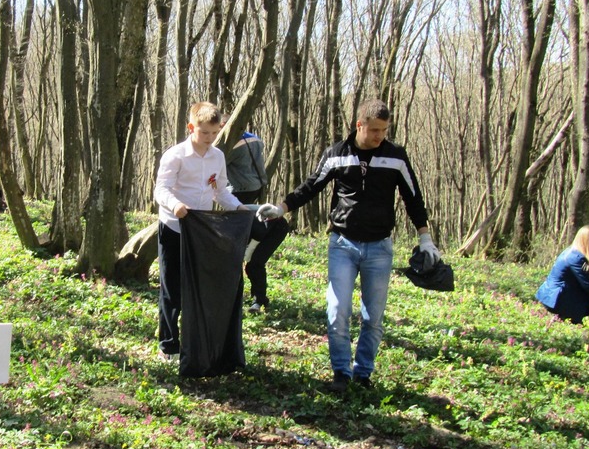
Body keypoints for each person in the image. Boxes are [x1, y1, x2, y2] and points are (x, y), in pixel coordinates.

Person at [257, 98, 440, 393]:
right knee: (337, 309)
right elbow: (311, 185)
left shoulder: (396, 157)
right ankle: (341, 372)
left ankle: (363, 374)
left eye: (384, 130)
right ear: (359, 125)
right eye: (375, 130)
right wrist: (282, 208)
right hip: (342, 243)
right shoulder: (337, 154)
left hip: (379, 247)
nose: (380, 136)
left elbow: (413, 197)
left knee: (373, 316)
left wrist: (425, 236)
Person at [154, 101, 247, 359]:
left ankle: (198, 343)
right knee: (172, 289)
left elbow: (220, 191)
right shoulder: (175, 156)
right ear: (191, 127)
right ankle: (168, 346)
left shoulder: (217, 157)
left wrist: (238, 208)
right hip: (174, 227)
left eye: (214, 133)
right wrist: (175, 205)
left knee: (200, 288)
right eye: (204, 132)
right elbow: (160, 190)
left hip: (203, 232)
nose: (209, 138)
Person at [225, 128, 289, 314]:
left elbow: (258, 235)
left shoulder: (233, 146)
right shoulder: (254, 139)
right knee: (247, 262)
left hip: (275, 228)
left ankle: (259, 301)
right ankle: (250, 299)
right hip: (256, 186)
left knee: (254, 264)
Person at [535, 225, 589, 324]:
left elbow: (586, 279)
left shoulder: (573, 253)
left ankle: (565, 318)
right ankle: (568, 319)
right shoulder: (576, 258)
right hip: (555, 299)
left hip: (553, 296)